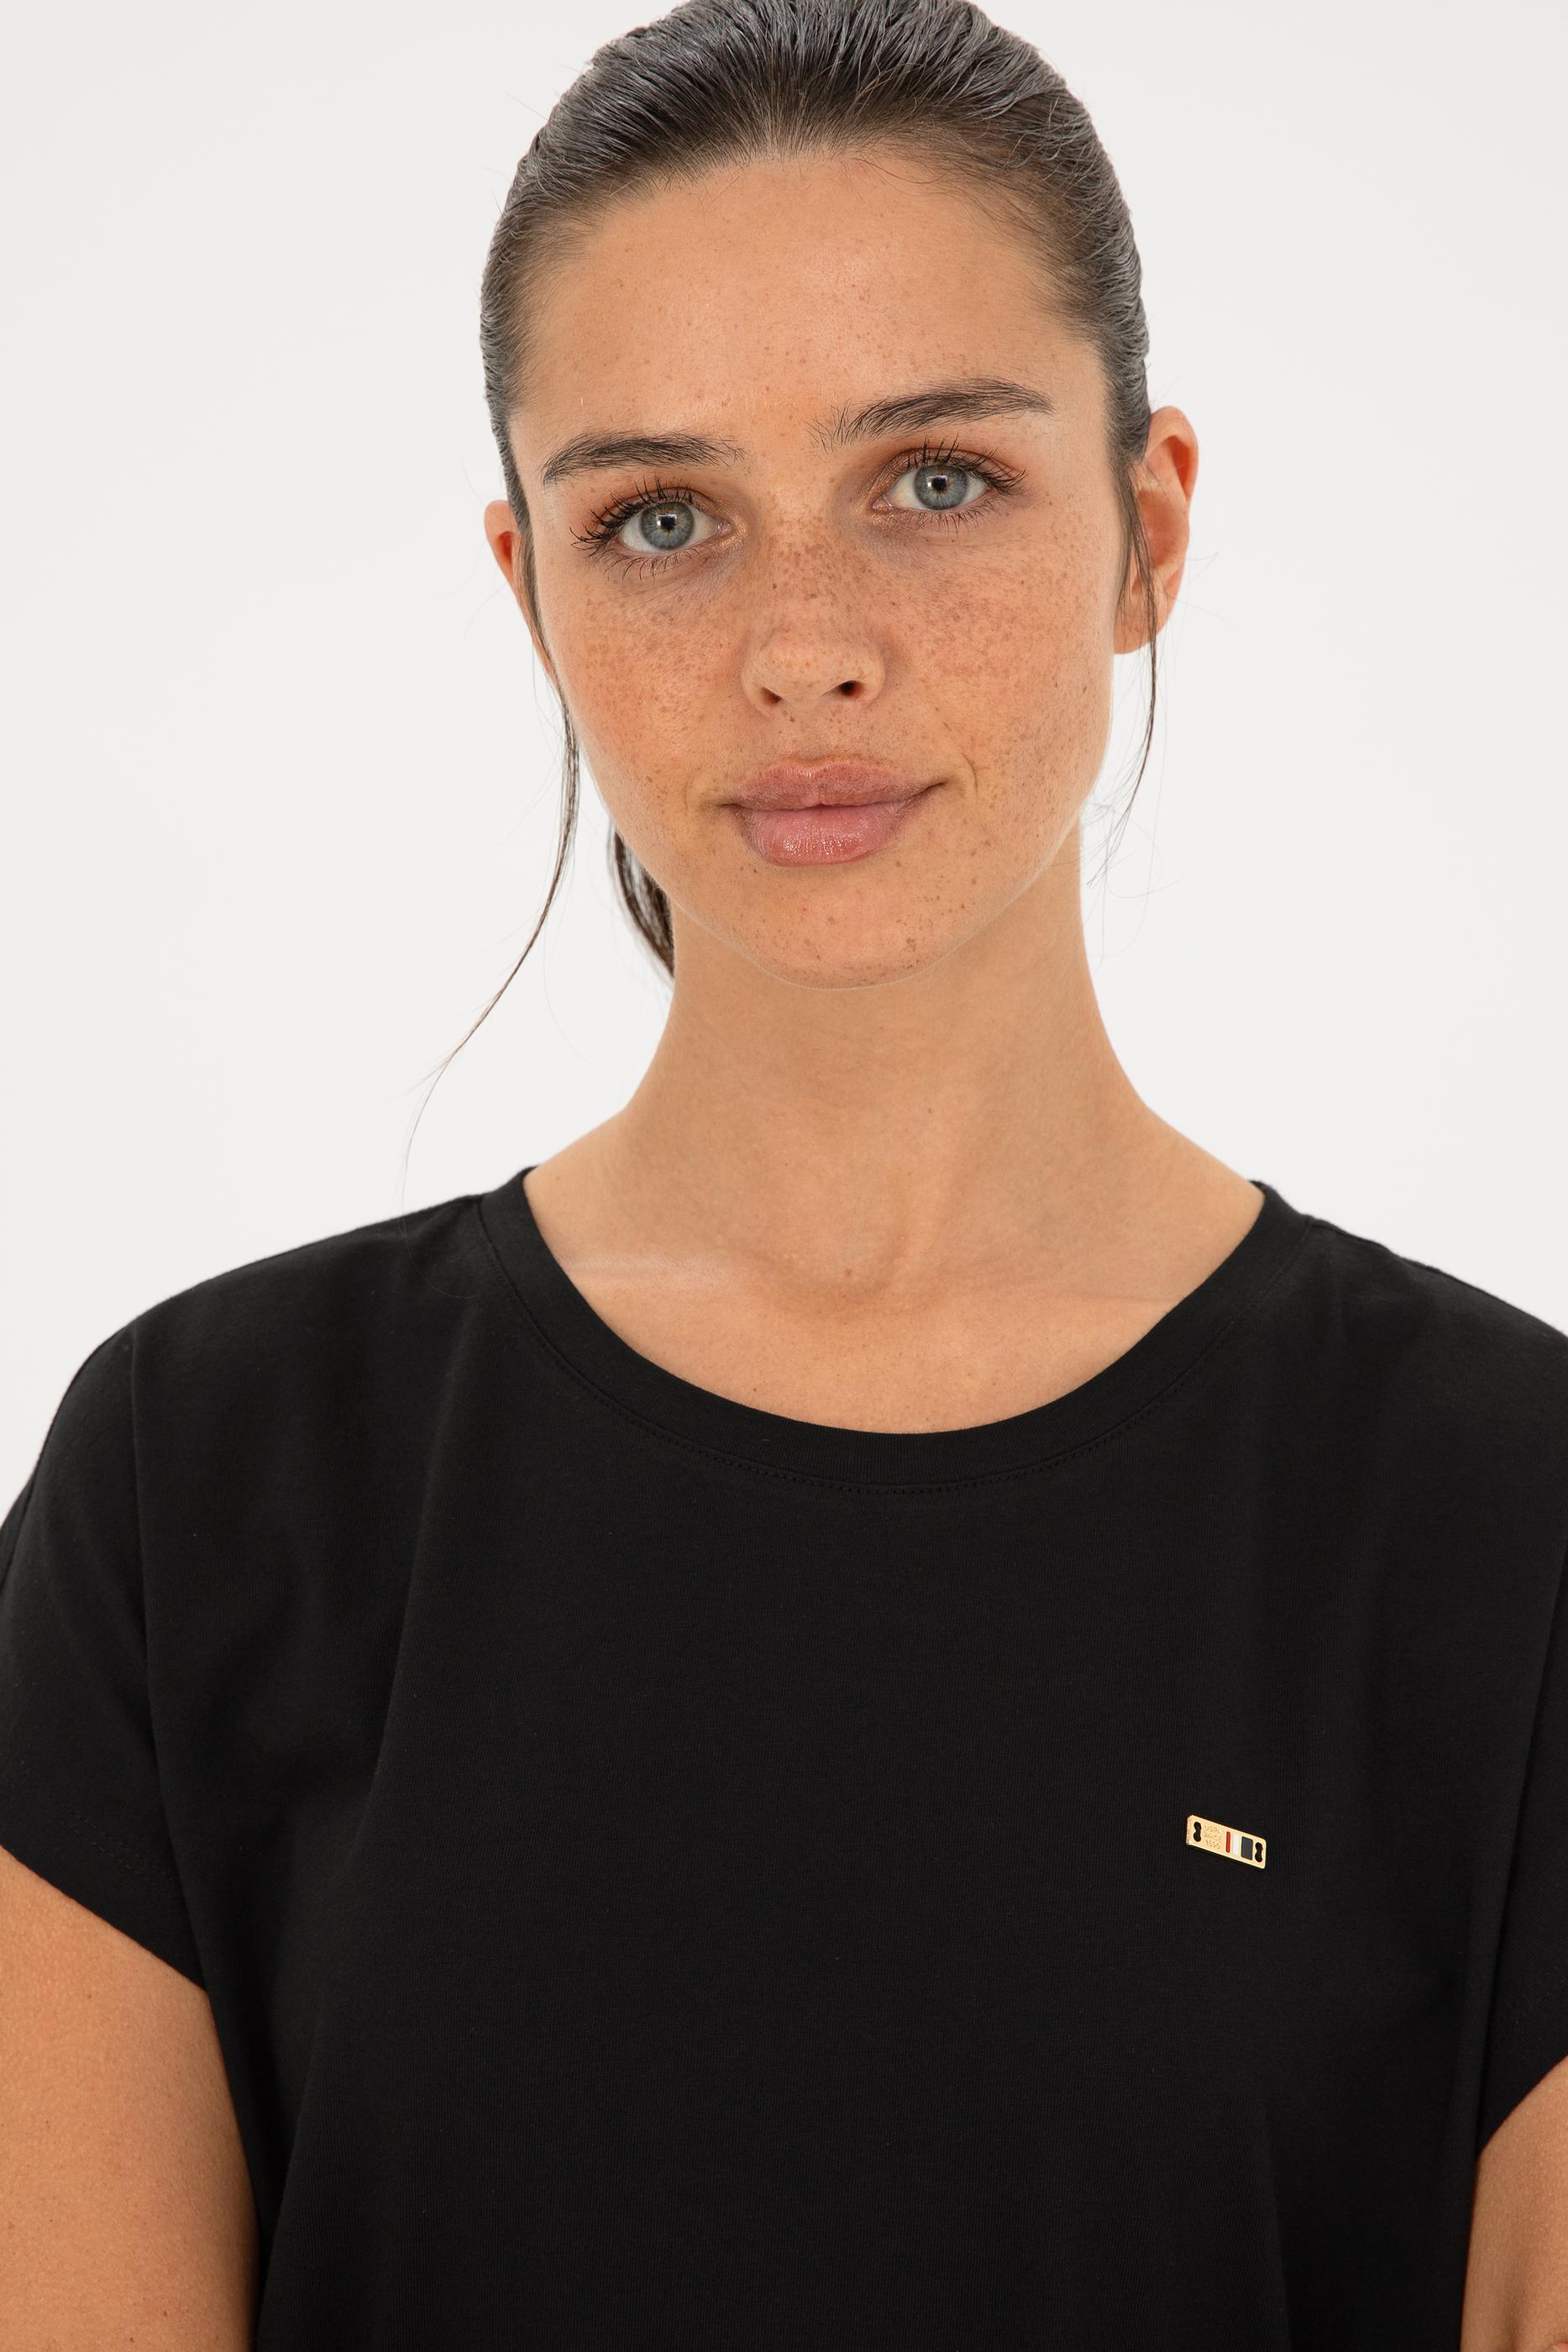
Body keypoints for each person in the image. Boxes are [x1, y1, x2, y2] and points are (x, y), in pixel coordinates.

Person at [3, 2, 1565, 2343]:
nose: (804, 649)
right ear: (530, 589)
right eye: (662, 520)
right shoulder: (199, 1486)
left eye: (933, 479)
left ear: (1146, 528)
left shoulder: (1504, 1520)